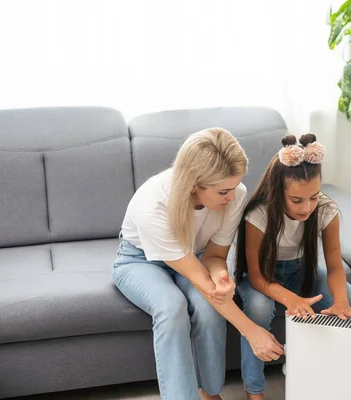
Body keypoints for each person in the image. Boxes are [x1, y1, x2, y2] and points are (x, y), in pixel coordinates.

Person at [113, 128, 284, 400]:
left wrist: (221, 277)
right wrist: (253, 332)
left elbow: (214, 257)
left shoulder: (235, 193)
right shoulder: (153, 204)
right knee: (171, 307)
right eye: (223, 191)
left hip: (195, 257)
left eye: (234, 187)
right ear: (195, 185)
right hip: (139, 261)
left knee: (208, 308)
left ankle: (211, 392)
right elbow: (196, 277)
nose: (232, 196)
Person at [235, 133, 351, 399]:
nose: (307, 207)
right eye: (296, 200)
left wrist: (340, 301)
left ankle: (325, 378)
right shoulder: (258, 214)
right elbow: (258, 277)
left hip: (300, 271)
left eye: (314, 197)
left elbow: (335, 266)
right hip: (262, 277)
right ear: (277, 191)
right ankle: (254, 390)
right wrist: (290, 298)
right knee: (259, 308)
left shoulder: (327, 210)